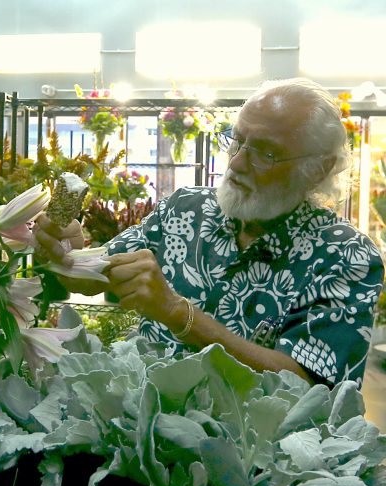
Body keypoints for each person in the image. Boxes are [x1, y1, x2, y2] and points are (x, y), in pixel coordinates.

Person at [35, 78, 385, 387]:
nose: (235, 163)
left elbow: (307, 388)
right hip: (140, 435)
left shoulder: (344, 255)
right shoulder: (186, 209)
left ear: (317, 168)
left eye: (265, 153)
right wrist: (70, 252)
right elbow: (95, 277)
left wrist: (177, 313)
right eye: (237, 140)